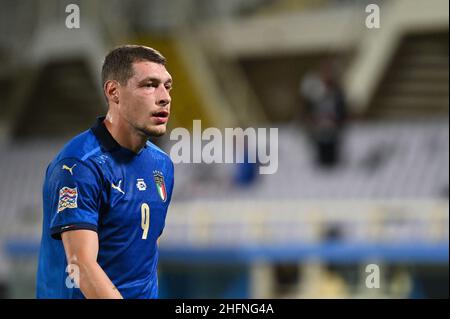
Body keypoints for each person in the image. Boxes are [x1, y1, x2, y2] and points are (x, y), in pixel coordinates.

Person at [36, 45, 174, 299]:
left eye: (167, 86)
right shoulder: (78, 166)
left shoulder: (162, 165)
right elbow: (81, 264)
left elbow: (144, 250)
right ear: (114, 92)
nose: (164, 96)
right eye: (150, 85)